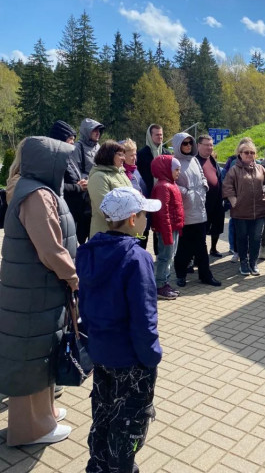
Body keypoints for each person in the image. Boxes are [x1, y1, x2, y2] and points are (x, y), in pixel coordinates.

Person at [76, 187, 162, 473]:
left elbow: (84, 305)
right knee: (129, 424)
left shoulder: (89, 252)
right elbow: (144, 317)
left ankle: (98, 465)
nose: (147, 219)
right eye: (144, 214)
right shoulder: (137, 258)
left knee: (103, 412)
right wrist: (151, 356)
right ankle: (121, 467)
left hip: (101, 353)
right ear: (133, 219)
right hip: (131, 359)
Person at [0, 137, 79, 446]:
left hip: (37, 289)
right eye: (61, 160)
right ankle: (32, 429)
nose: (65, 167)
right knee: (31, 359)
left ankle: (45, 414)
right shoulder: (36, 195)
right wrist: (72, 276)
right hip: (34, 292)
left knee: (42, 353)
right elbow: (49, 249)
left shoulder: (33, 188)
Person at [172, 133, 222, 288]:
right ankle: (181, 275)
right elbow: (170, 182)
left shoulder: (194, 160)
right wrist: (186, 192)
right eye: (184, 143)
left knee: (201, 245)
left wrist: (204, 185)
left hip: (199, 209)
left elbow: (201, 174)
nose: (188, 146)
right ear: (178, 145)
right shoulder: (173, 161)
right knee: (184, 246)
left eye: (190, 143)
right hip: (185, 210)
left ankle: (205, 275)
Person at [223, 140, 265, 276]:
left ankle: (253, 263)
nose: (250, 155)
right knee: (242, 238)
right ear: (240, 154)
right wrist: (233, 200)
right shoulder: (234, 170)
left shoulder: (261, 169)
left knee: (256, 238)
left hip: (259, 212)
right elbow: (227, 186)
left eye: (252, 152)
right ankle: (243, 263)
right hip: (240, 212)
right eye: (246, 152)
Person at [49, 120, 91, 244]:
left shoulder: (68, 156)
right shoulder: (53, 159)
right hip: (62, 211)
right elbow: (54, 185)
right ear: (61, 139)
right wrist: (78, 187)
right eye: (70, 139)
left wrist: (83, 181)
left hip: (75, 211)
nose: (73, 142)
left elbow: (75, 176)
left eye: (74, 139)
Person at [151, 155, 184, 300]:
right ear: (166, 169)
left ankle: (165, 282)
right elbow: (163, 213)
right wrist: (167, 233)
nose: (178, 172)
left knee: (170, 256)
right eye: (176, 169)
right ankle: (159, 285)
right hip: (167, 229)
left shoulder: (171, 184)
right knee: (165, 257)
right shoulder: (163, 187)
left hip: (173, 228)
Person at [137, 124, 171, 252]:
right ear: (150, 136)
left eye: (161, 134)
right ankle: (141, 254)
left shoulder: (167, 154)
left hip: (162, 199)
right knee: (143, 231)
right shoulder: (141, 154)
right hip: (146, 199)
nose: (160, 137)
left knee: (160, 230)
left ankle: (159, 256)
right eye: (157, 135)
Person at [88, 140, 132, 236]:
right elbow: (106, 209)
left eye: (124, 155)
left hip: (124, 232)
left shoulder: (121, 173)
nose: (124, 158)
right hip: (105, 235)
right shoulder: (98, 177)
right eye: (120, 155)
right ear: (109, 155)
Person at [221, 137, 254, 263]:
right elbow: (225, 178)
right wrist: (231, 197)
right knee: (235, 226)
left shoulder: (257, 164)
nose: (248, 153)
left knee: (249, 229)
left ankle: (247, 251)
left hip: (250, 202)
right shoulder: (232, 161)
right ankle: (234, 250)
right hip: (235, 201)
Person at [196, 134, 225, 257]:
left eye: (211, 145)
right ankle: (198, 254)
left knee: (217, 226)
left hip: (217, 200)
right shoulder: (194, 160)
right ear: (198, 145)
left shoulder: (212, 160)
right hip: (202, 202)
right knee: (201, 229)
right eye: (206, 145)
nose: (210, 148)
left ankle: (213, 248)